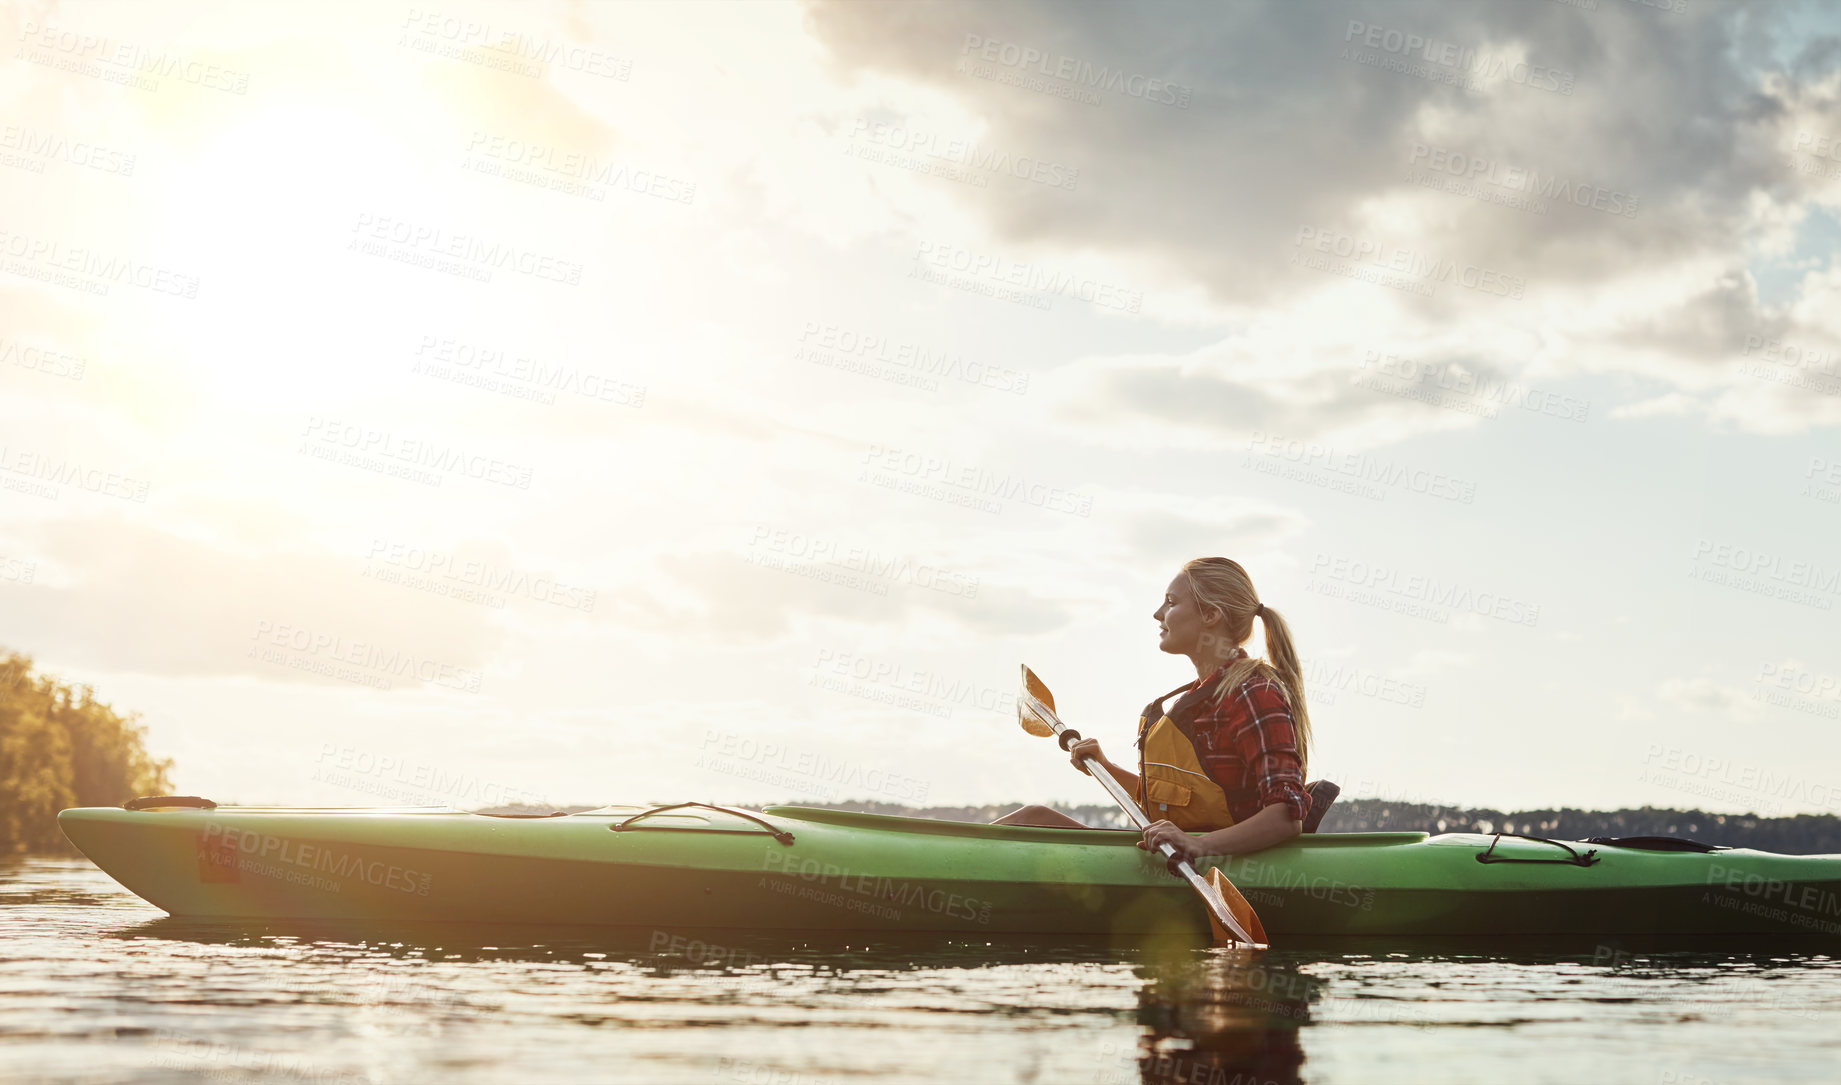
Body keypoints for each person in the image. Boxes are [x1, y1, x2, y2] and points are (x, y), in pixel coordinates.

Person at [994, 557, 1313, 867]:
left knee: (1028, 820)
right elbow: (1178, 803)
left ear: (1211, 615)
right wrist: (1105, 767)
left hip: (1209, 867)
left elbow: (1286, 816)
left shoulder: (1253, 693)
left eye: (1171, 602)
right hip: (1170, 855)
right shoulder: (1197, 697)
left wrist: (1198, 845)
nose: (1158, 613)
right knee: (1033, 818)